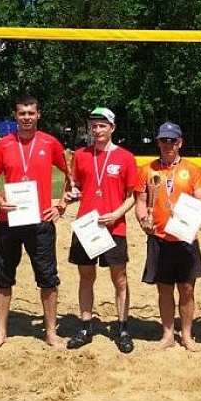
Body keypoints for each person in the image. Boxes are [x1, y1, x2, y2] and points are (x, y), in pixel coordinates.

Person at [0, 95, 70, 351]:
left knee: (47, 278)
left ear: (38, 115)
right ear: (16, 115)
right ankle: (0, 332)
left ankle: (51, 332)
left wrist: (61, 205)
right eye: (22, 113)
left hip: (40, 221)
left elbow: (72, 174)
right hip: (8, 220)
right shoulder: (4, 144)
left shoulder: (50, 142)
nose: (27, 117)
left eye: (31, 113)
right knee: (2, 277)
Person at [66, 107, 138, 353]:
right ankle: (85, 326)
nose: (97, 130)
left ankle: (122, 327)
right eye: (94, 126)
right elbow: (74, 186)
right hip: (86, 226)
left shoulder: (126, 157)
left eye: (102, 125)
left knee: (120, 278)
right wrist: (72, 194)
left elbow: (132, 195)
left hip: (114, 227)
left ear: (112, 128)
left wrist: (116, 214)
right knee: (86, 277)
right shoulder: (80, 155)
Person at [135, 122, 201, 351]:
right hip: (159, 238)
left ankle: (186, 334)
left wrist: (189, 217)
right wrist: (142, 220)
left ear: (180, 142)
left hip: (185, 238)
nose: (168, 144)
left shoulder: (192, 170)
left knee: (187, 289)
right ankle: (167, 334)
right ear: (158, 142)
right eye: (163, 140)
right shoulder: (147, 170)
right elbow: (141, 201)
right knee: (164, 289)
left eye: (172, 140)